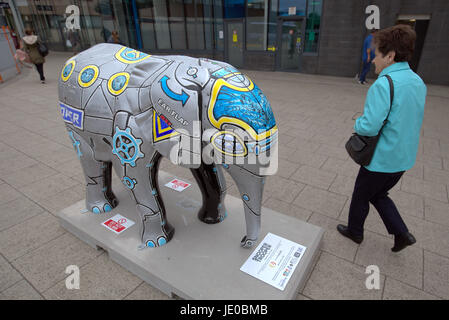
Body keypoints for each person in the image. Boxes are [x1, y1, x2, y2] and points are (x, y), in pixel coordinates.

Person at [338, 24, 427, 253]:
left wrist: (357, 121)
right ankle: (401, 234)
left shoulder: (383, 85)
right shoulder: (417, 82)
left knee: (361, 194)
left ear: (390, 56)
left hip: (382, 158)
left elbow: (369, 126)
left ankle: (355, 232)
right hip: (403, 157)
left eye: (377, 55)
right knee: (378, 194)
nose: (374, 60)